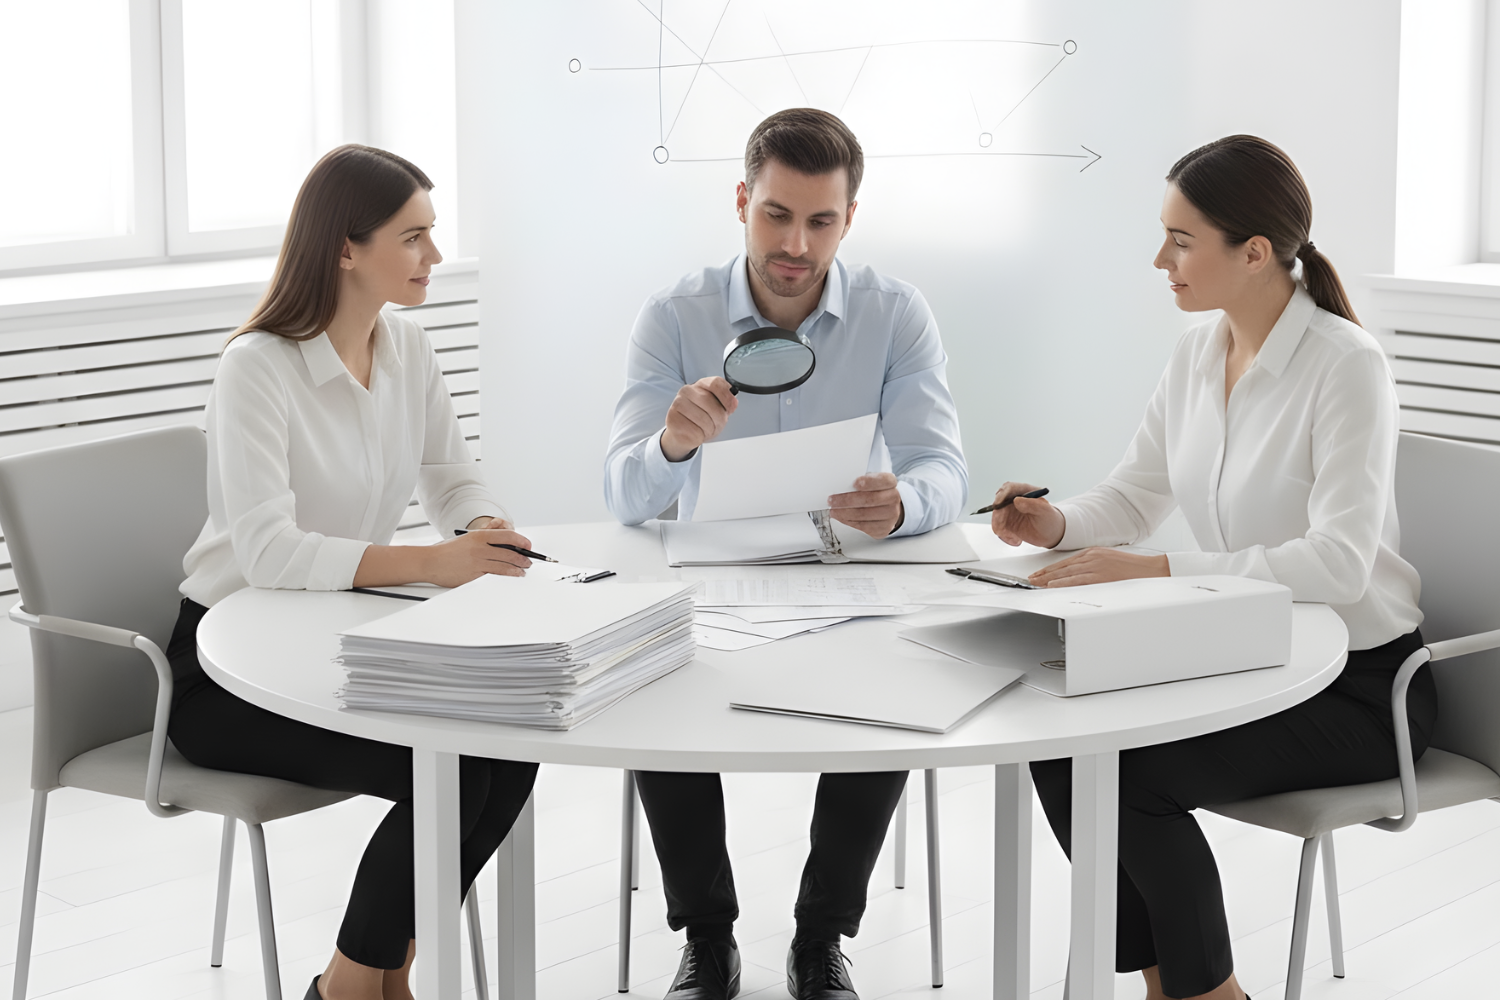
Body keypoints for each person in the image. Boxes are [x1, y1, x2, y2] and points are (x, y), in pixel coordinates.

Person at [989, 135, 1431, 1000]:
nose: (1161, 259)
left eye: (1181, 240)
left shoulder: (1347, 367)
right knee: (1063, 746)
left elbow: (1340, 565)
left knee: (1133, 772)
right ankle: (1168, 985)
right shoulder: (1199, 353)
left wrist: (1155, 571)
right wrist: (1057, 523)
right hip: (1250, 651)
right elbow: (1138, 490)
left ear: (1255, 252)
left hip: (1366, 688)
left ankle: (1209, 994)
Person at [603, 109, 968, 1000]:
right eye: (776, 215)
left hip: (845, 568)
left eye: (820, 221)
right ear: (741, 202)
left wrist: (904, 502)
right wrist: (672, 449)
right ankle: (709, 936)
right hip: (709, 580)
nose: (795, 244)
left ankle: (819, 939)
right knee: (646, 678)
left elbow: (946, 471)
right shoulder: (675, 314)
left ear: (850, 219)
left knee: (898, 683)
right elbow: (621, 492)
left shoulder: (895, 313)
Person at [167, 145, 540, 1000]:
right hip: (225, 672)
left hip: (334, 642)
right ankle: (367, 983)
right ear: (346, 246)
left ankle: (361, 978)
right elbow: (267, 550)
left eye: (432, 236)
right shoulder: (256, 366)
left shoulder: (406, 348)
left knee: (511, 749)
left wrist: (481, 527)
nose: (434, 259)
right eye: (413, 238)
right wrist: (434, 564)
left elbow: (451, 475)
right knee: (449, 768)